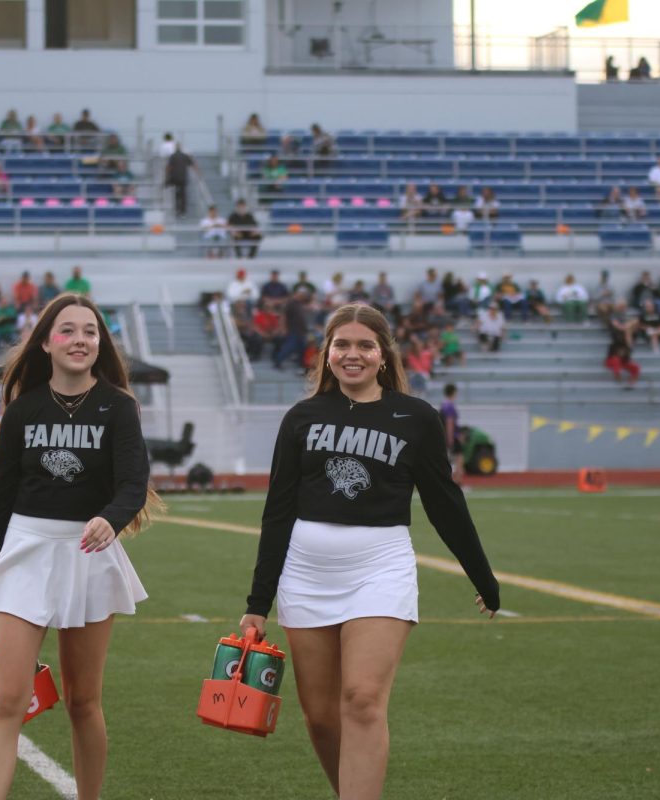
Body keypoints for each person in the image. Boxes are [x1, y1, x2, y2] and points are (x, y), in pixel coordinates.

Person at [237, 303, 499, 800]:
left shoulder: (415, 417)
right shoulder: (301, 417)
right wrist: (257, 604)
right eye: (342, 344)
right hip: (306, 573)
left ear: (382, 355)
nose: (352, 354)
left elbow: (445, 504)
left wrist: (482, 577)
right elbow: (277, 513)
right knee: (319, 717)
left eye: (364, 345)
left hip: (380, 567)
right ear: (326, 353)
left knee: (361, 699)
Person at [0, 294, 160, 800]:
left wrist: (109, 521)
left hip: (90, 554)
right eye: (68, 331)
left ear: (100, 343)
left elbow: (133, 484)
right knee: (7, 699)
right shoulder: (23, 409)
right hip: (26, 552)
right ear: (47, 342)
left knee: (83, 701)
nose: (80, 340)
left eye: (90, 332)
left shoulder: (118, 407)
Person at [165, 144, 197, 219]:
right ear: (181, 148)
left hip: (175, 178)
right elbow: (193, 164)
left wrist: (166, 176)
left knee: (176, 195)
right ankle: (183, 212)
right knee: (183, 196)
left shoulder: (172, 156)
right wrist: (198, 173)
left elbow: (169, 167)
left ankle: (177, 211)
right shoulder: (185, 156)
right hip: (183, 179)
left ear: (175, 148)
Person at [440, 383, 464, 480]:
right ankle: (458, 481)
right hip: (452, 437)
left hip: (445, 435)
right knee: (459, 458)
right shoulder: (449, 406)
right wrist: (451, 439)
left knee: (450, 460)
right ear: (453, 392)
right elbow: (450, 423)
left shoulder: (444, 404)